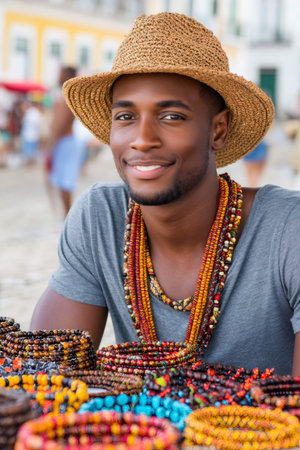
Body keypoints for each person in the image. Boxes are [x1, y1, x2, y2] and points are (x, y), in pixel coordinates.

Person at [31, 12, 300, 376]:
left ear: (218, 130)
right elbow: (41, 378)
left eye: (171, 116)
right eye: (125, 117)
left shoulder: (287, 230)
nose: (142, 139)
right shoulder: (101, 217)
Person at [46, 66, 86, 217]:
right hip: (66, 142)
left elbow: (59, 126)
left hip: (64, 143)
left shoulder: (64, 99)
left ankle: (66, 215)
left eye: (61, 73)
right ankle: (65, 215)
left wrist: (50, 147)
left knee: (64, 182)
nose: (58, 75)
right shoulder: (67, 98)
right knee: (63, 181)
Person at [20, 100, 43, 165]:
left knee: (29, 150)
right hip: (32, 134)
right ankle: (30, 163)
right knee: (31, 150)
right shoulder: (35, 112)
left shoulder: (30, 112)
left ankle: (29, 163)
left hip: (29, 133)